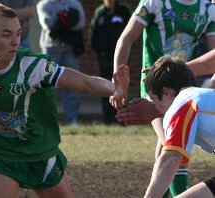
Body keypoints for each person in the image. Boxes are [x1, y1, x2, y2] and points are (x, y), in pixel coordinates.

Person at [0, 4, 128, 197]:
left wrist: (114, 89)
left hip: (39, 152)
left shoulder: (32, 65)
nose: (15, 41)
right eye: (7, 35)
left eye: (18, 33)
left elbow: (84, 81)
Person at [111, 0, 215, 196]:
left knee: (171, 148)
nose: (212, 1)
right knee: (169, 147)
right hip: (171, 82)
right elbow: (125, 39)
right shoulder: (155, 3)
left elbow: (171, 158)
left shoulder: (187, 100)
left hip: (174, 87)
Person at [143, 55, 215, 198]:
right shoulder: (200, 97)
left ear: (166, 92)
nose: (156, 108)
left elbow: (170, 157)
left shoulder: (182, 102)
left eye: (154, 99)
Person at [36, 0, 86, 125]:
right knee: (47, 86)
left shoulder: (75, 4)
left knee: (74, 85)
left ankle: (71, 119)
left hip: (70, 50)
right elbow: (48, 24)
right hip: (51, 50)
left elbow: (80, 24)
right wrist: (69, 19)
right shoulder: (44, 5)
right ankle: (48, 120)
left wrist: (59, 21)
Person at [89, 0, 131, 124]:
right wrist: (100, 50)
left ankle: (121, 119)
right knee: (105, 86)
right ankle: (107, 119)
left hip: (121, 58)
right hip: (104, 58)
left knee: (121, 85)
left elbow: (131, 33)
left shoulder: (124, 10)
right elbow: (92, 32)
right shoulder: (99, 12)